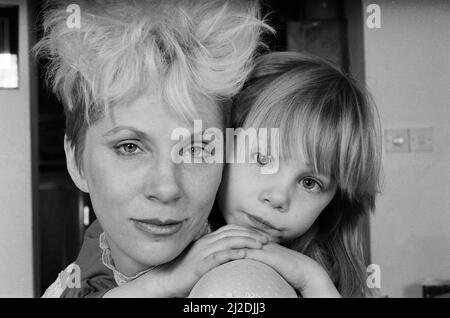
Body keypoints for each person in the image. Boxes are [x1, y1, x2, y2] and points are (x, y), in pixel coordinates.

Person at [36, 0, 272, 297]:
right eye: (129, 147)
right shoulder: (72, 281)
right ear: (76, 162)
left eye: (196, 149)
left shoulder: (239, 285)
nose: (166, 188)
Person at [204, 51, 382, 298]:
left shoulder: (323, 274)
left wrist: (312, 279)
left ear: (334, 202)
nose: (278, 197)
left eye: (310, 183)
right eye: (262, 159)